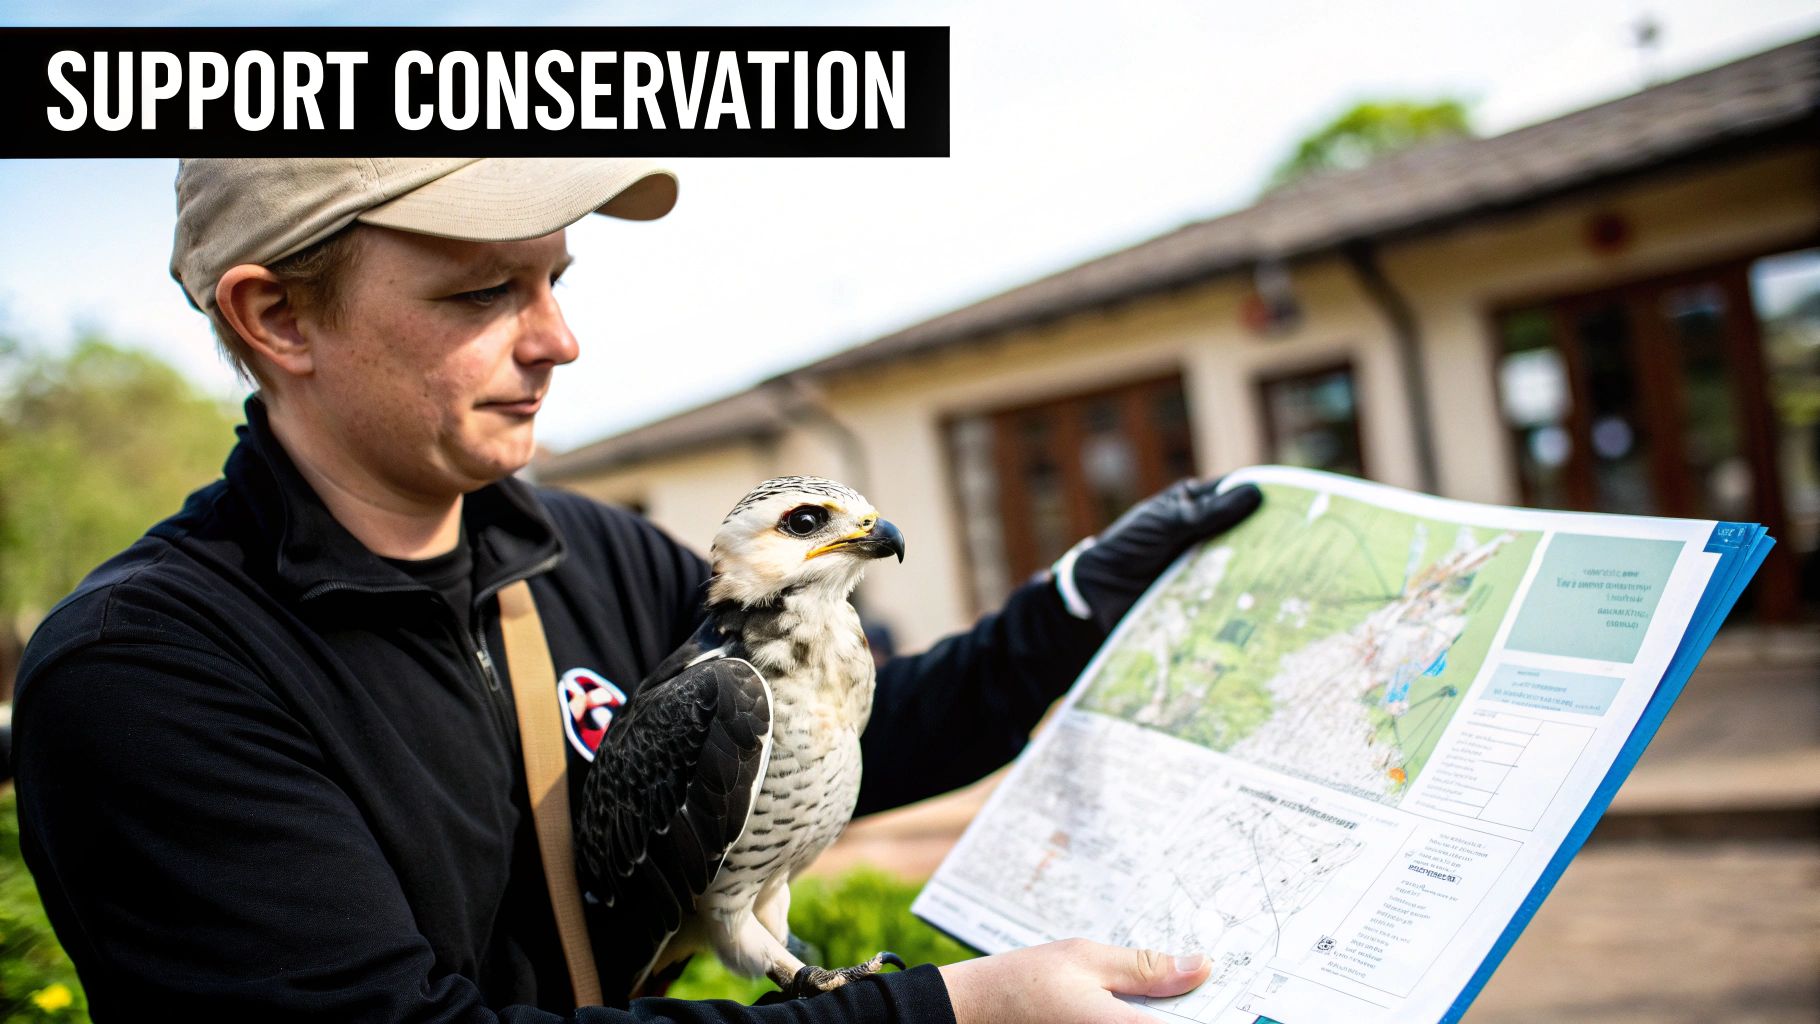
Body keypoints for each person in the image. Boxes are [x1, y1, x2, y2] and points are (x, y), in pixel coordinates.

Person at [9, 158, 1262, 1024]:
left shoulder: (583, 551)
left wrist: (1078, 595)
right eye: (482, 290)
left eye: (557, 278)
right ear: (277, 316)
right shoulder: (146, 675)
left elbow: (820, 746)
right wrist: (949, 1009)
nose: (556, 338)